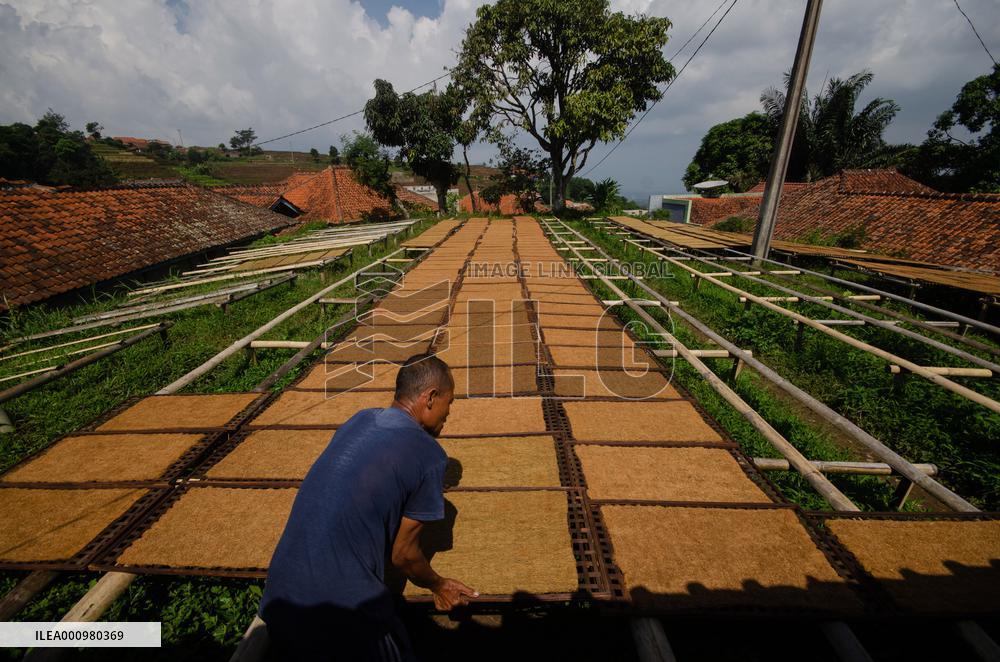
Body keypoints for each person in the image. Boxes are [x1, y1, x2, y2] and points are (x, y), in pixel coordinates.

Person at [260, 353, 478, 661]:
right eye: (449, 402)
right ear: (430, 398)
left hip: (279, 599)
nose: (449, 413)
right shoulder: (430, 455)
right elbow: (404, 555)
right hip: (341, 613)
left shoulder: (359, 419)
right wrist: (439, 585)